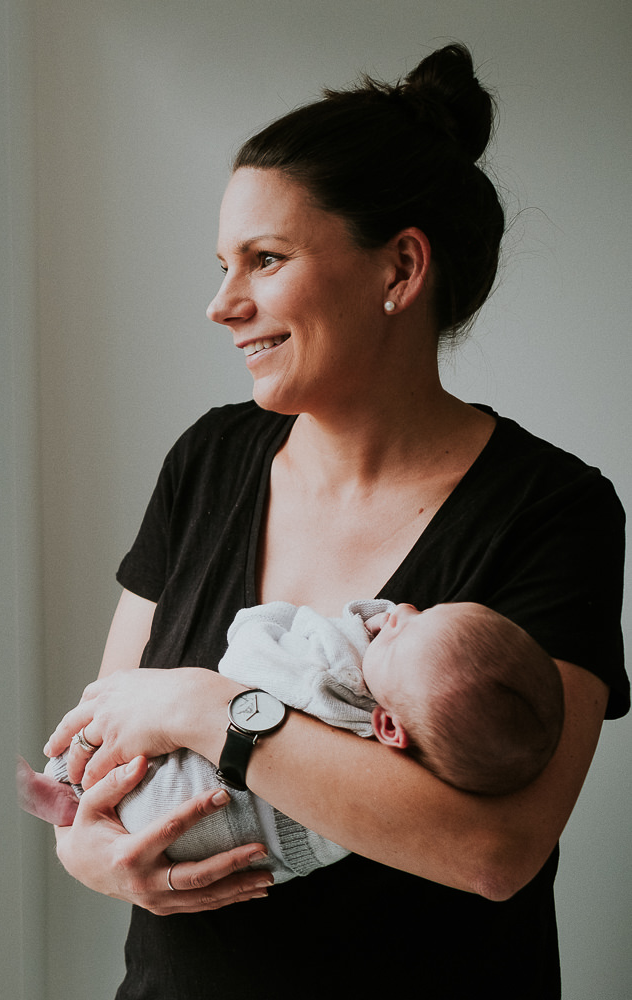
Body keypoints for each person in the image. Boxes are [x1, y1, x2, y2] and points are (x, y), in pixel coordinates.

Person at [35, 44, 628, 999]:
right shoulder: (209, 459)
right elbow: (98, 758)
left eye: (265, 261)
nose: (222, 305)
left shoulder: (554, 509)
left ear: (400, 266)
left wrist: (211, 707)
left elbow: (494, 850)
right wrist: (93, 856)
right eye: (224, 264)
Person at [30, 598, 564, 884]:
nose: (400, 612)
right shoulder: (422, 758)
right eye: (423, 610)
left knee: (126, 775)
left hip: (190, 810)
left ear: (390, 729)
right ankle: (69, 806)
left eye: (402, 632)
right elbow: (112, 706)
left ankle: (58, 794)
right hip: (248, 862)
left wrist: (202, 695)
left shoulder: (336, 679)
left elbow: (247, 655)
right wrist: (82, 855)